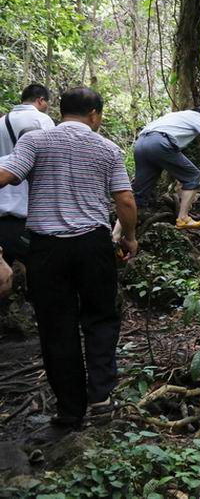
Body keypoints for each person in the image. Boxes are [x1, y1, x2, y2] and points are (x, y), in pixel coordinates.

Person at [0, 87, 137, 439]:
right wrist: (129, 238)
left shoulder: (35, 141)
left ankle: (69, 414)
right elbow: (124, 200)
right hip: (93, 244)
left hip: (46, 250)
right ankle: (101, 400)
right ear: (94, 114)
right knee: (101, 318)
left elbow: (6, 175)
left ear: (62, 112)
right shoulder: (107, 149)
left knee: (56, 328)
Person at [130, 107, 200, 229]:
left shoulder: (173, 116)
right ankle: (183, 218)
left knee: (139, 194)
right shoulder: (198, 116)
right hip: (159, 143)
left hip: (141, 143)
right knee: (193, 176)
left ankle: (116, 235)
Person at [0, 84, 55, 268]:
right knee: (40, 268)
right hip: (29, 211)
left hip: (2, 209)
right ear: (40, 100)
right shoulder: (42, 120)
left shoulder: (2, 121)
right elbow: (52, 158)